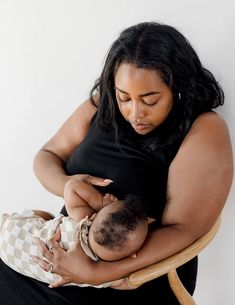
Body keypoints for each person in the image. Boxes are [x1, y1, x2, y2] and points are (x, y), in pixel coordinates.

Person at [0, 21, 233, 305]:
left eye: (150, 100)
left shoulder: (203, 129)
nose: (135, 113)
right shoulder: (102, 105)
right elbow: (47, 156)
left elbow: (185, 230)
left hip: (135, 276)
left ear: (178, 88)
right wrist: (67, 185)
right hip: (63, 252)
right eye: (125, 97)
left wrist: (97, 272)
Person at [0, 184, 149, 289]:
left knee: (46, 218)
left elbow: (71, 188)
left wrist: (100, 202)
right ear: (132, 255)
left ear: (94, 217)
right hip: (8, 256)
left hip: (14, 230)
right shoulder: (102, 277)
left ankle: (5, 221)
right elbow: (126, 284)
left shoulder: (78, 222)